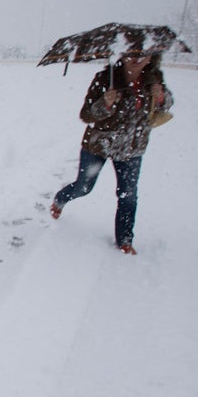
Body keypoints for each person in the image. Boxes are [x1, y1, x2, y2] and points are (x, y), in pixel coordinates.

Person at [49, 48, 174, 255]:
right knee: (84, 187)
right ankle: (60, 199)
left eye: (143, 55)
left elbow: (167, 105)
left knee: (128, 195)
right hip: (99, 145)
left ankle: (125, 239)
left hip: (132, 148)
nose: (136, 59)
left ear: (150, 57)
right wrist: (105, 103)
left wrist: (161, 97)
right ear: (123, 54)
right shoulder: (105, 78)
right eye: (132, 54)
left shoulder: (154, 79)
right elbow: (86, 115)